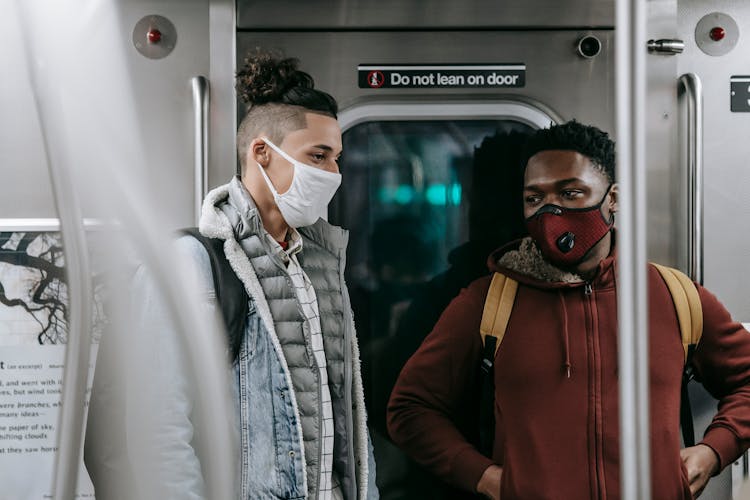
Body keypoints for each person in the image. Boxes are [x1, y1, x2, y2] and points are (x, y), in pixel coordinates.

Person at [386, 121, 750, 499]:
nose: (550, 210)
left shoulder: (673, 296)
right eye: (534, 198)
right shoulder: (489, 301)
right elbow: (411, 408)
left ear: (613, 199)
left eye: (571, 193)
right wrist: (487, 478)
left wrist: (713, 451)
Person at [85, 50, 378, 500]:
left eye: (337, 158)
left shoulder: (319, 265)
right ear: (262, 152)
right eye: (318, 156)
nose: (333, 173)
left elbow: (346, 418)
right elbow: (159, 430)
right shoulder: (192, 263)